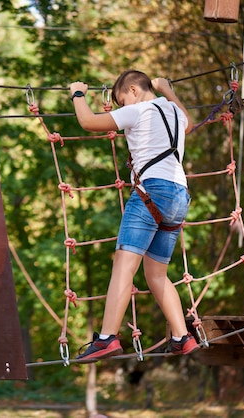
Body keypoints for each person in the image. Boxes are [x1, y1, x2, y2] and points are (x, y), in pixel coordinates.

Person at [69, 70, 197, 362]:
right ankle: (182, 337)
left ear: (133, 90)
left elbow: (88, 122)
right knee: (157, 275)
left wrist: (78, 93)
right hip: (179, 196)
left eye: (121, 100)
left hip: (151, 192)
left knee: (124, 266)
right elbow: (187, 124)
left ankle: (106, 339)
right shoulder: (174, 111)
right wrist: (168, 90)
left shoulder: (138, 111)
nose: (121, 107)